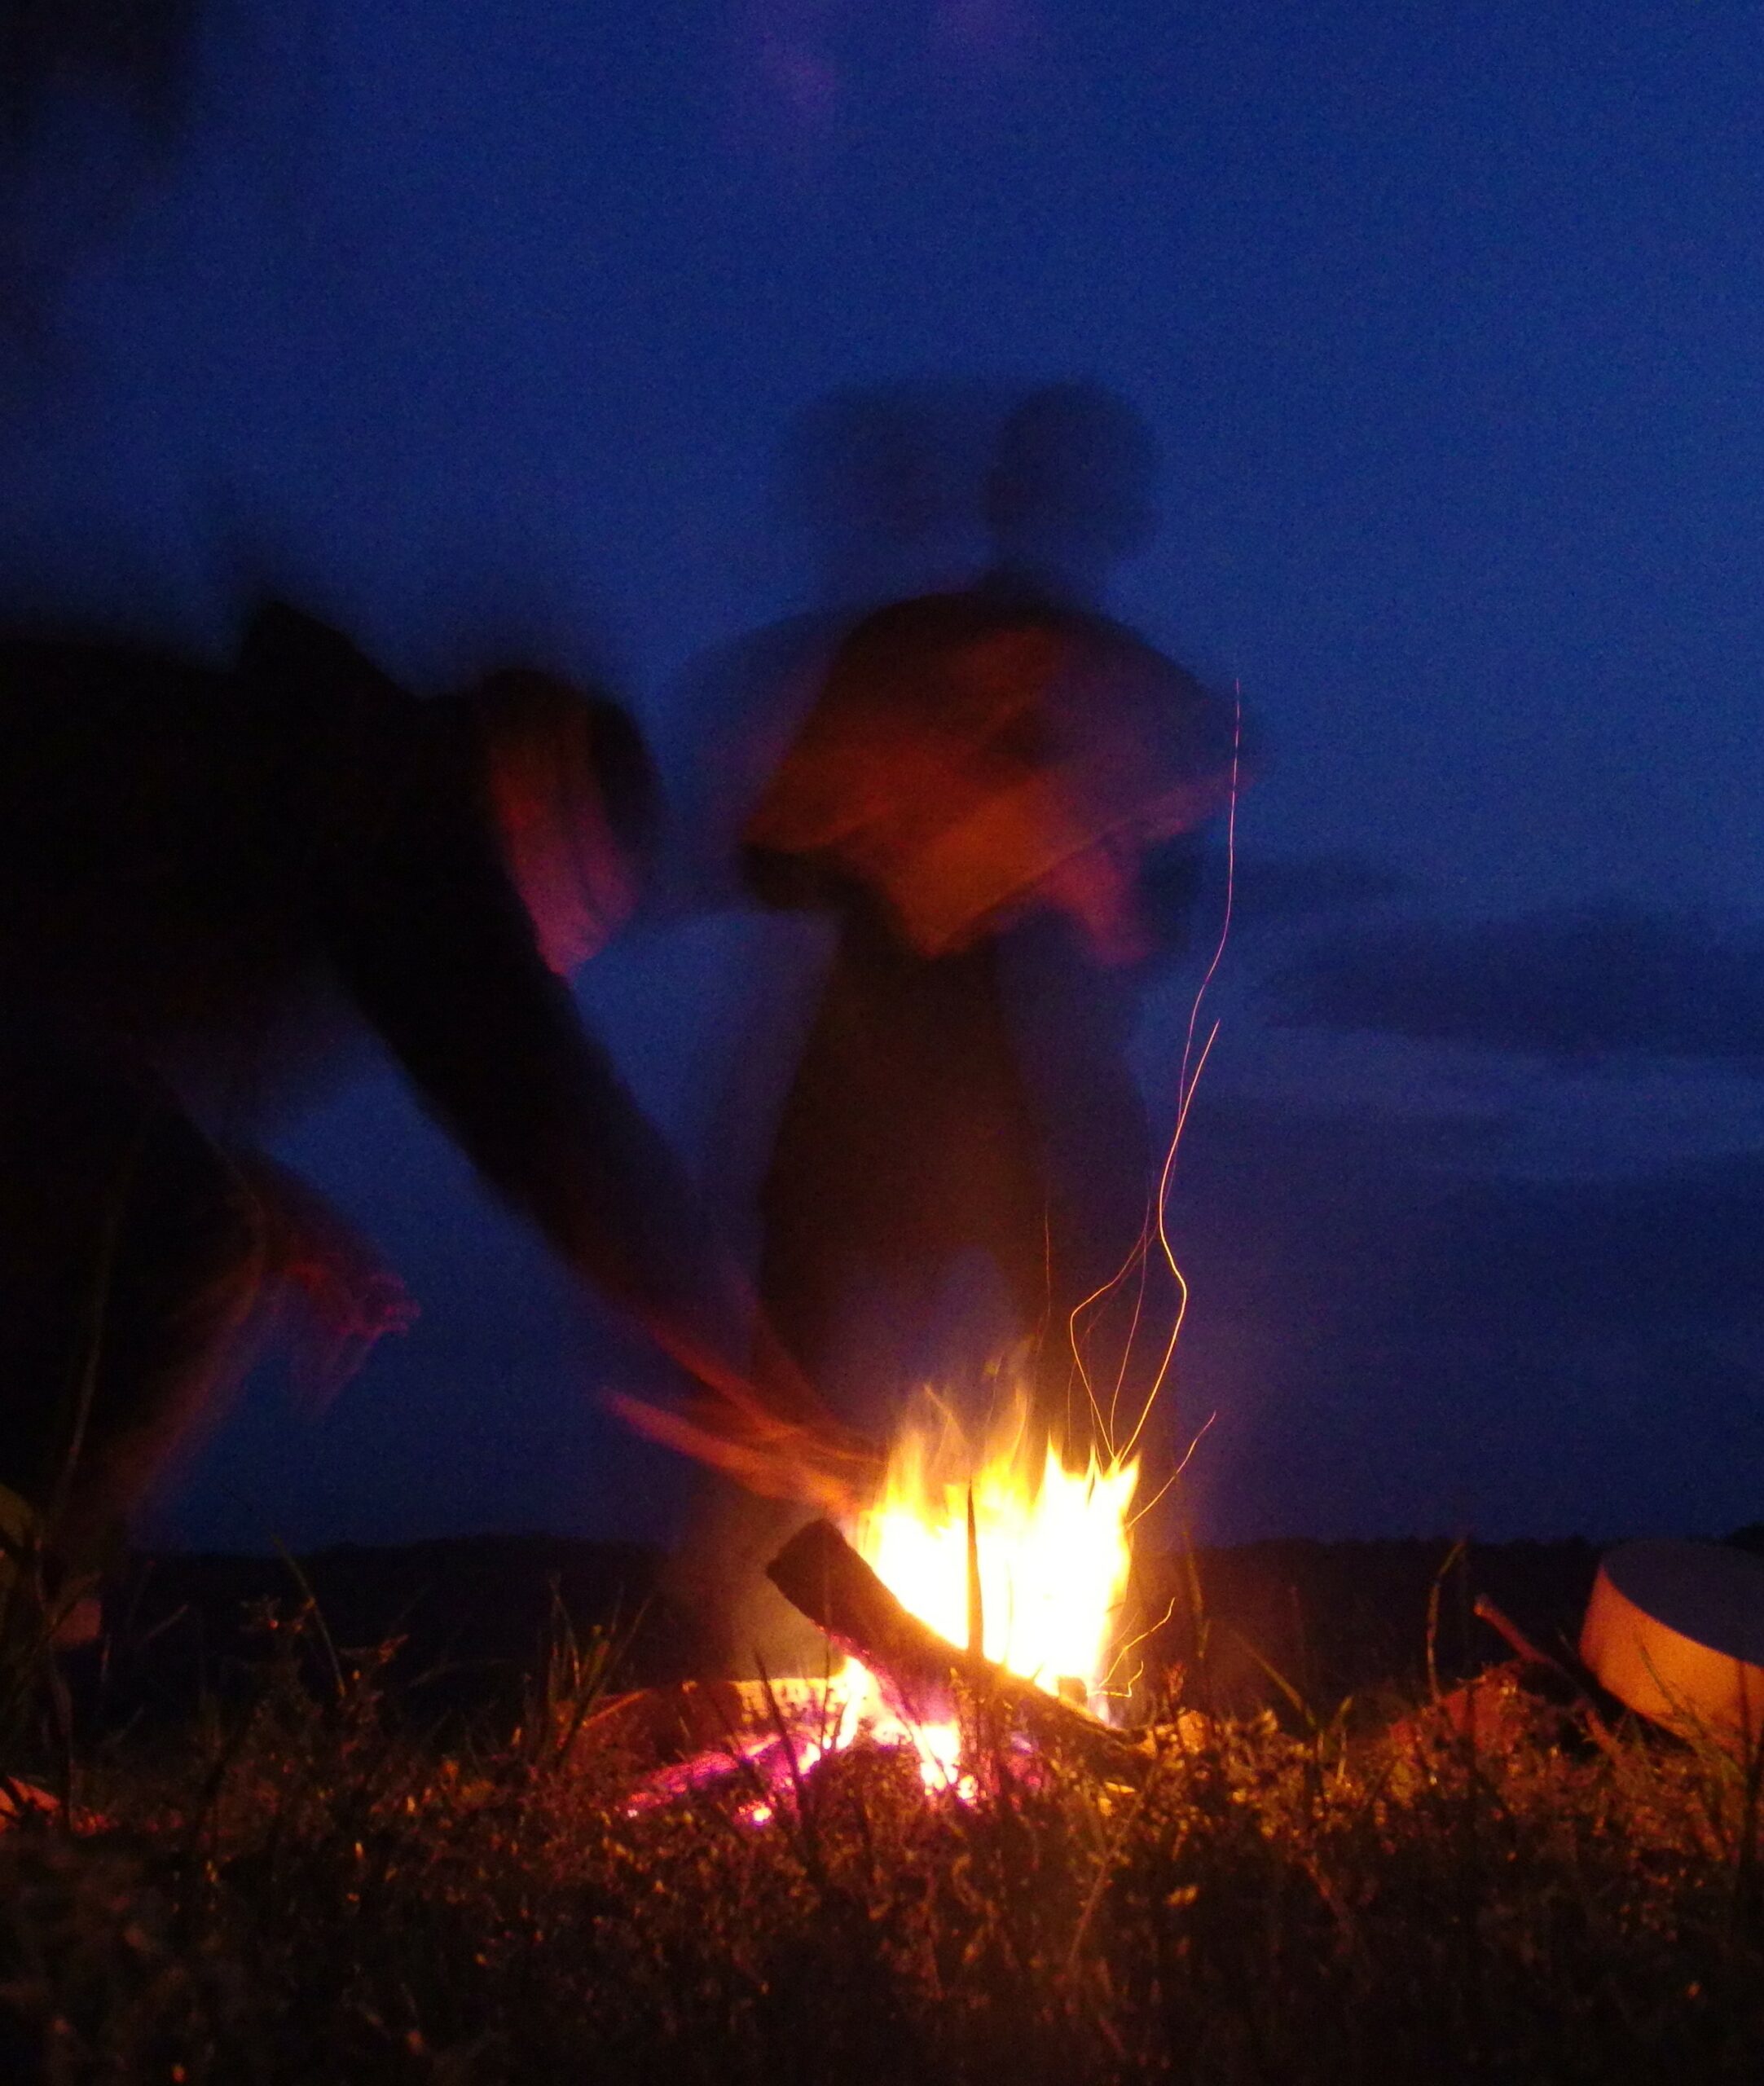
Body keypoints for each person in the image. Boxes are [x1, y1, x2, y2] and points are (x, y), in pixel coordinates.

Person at [0, 598, 862, 1602]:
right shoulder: (391, 795)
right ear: (533, 789)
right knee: (181, 1236)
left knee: (171, 1221)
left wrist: (253, 1187)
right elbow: (549, 1115)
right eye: (573, 905)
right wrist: (773, 1390)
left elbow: (80, 1012)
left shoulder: (286, 788)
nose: (553, 962)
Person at [742, 383, 1243, 1432]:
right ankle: (792, 1580)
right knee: (804, 1384)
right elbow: (764, 857)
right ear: (1001, 496)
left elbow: (1152, 927)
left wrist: (1094, 887)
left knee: (1088, 1364)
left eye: (1087, 498)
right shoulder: (900, 655)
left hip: (1046, 1109)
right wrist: (893, 827)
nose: (1059, 515)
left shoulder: (1128, 701)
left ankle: (1062, 1584)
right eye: (1041, 488)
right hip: (865, 1092)